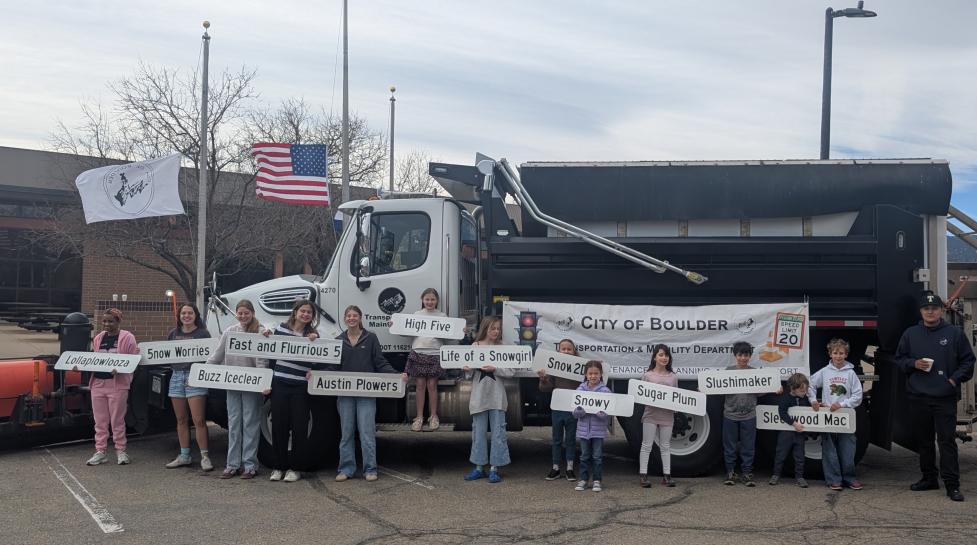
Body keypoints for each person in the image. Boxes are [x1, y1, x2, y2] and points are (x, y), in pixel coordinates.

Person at [895, 292, 975, 502]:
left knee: (946, 441)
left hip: (944, 397)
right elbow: (900, 359)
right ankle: (929, 478)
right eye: (926, 309)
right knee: (924, 441)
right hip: (918, 396)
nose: (930, 311)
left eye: (934, 308)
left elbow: (968, 361)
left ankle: (952, 485)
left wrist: (953, 380)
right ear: (921, 312)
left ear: (941, 310)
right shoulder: (910, 334)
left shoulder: (954, 334)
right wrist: (913, 364)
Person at [335, 305, 406, 482]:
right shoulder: (338, 340)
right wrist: (314, 374)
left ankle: (370, 469)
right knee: (346, 433)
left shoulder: (371, 338)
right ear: (345, 319)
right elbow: (332, 367)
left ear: (360, 318)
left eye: (355, 315)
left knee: (367, 433)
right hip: (344, 394)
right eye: (349, 315)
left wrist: (396, 375)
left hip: (367, 393)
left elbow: (380, 362)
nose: (352, 318)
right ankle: (346, 469)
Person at [206, 299, 268, 479]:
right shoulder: (229, 332)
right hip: (232, 384)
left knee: (250, 424)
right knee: (234, 424)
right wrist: (200, 372)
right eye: (240, 313)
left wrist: (262, 382)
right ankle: (232, 464)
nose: (243, 316)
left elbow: (262, 361)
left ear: (252, 313)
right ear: (236, 314)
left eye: (246, 313)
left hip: (252, 386)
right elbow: (217, 355)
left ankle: (249, 465)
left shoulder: (260, 331)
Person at [268, 299, 322, 483]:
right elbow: (271, 353)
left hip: (300, 386)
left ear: (312, 317)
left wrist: (314, 344)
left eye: (309, 312)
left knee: (299, 428)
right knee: (279, 427)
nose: (305, 314)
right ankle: (278, 466)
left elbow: (317, 362)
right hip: (280, 383)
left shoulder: (313, 335)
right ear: (296, 312)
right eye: (303, 311)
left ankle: (295, 468)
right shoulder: (281, 329)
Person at [463, 316, 514, 484]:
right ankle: (479, 467)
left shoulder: (504, 347)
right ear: (485, 328)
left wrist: (496, 368)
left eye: (498, 329)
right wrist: (468, 369)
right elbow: (469, 375)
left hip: (497, 397)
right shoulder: (474, 346)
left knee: (498, 433)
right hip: (479, 397)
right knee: (478, 433)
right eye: (493, 328)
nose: (496, 331)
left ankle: (494, 468)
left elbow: (511, 372)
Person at [808, 338, 864, 491]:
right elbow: (811, 384)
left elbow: (858, 395)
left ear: (846, 354)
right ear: (830, 354)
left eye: (841, 353)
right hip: (829, 416)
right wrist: (813, 400)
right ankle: (834, 479)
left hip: (846, 416)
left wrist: (842, 404)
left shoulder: (851, 373)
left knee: (848, 449)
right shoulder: (825, 372)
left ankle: (850, 478)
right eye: (835, 353)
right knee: (829, 449)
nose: (838, 356)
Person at [85, 308, 139, 466]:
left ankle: (121, 450)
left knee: (117, 420)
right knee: (100, 421)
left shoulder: (127, 337)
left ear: (118, 322)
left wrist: (121, 369)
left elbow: (133, 360)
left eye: (110, 321)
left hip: (117, 385)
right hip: (98, 384)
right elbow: (96, 359)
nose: (106, 324)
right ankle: (100, 451)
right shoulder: (99, 338)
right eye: (104, 321)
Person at [164, 303, 213, 471]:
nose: (186, 316)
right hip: (177, 376)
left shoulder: (202, 334)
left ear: (195, 315)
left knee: (199, 420)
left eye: (190, 313)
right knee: (181, 420)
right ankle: (184, 455)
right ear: (179, 316)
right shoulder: (173, 334)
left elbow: (210, 357)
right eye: (183, 313)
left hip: (195, 377)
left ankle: (205, 456)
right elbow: (164, 354)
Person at [537, 339, 581, 481]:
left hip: (572, 410)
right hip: (557, 408)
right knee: (556, 439)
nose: (566, 351)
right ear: (558, 351)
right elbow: (545, 388)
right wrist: (543, 379)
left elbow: (585, 386)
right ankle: (555, 467)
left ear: (574, 351)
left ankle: (569, 468)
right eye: (563, 349)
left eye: (569, 349)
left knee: (570, 440)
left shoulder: (579, 368)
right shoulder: (554, 368)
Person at [406, 288, 446, 432]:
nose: (429, 302)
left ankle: (433, 416)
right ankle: (419, 418)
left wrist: (461, 330)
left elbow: (451, 332)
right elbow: (405, 330)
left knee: (432, 385)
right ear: (422, 300)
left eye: (432, 299)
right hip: (418, 352)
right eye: (427, 299)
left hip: (435, 353)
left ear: (437, 301)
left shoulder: (442, 316)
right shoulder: (416, 315)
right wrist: (394, 326)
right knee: (420, 385)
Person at [638, 344, 677, 488]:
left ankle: (667, 476)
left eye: (666, 355)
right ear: (654, 357)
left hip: (667, 415)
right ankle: (643, 475)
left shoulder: (673, 377)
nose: (664, 358)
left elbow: (677, 397)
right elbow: (640, 395)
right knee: (646, 445)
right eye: (661, 355)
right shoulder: (647, 375)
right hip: (651, 414)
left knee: (665, 446)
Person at [722, 341, 760, 487]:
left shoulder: (755, 373)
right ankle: (730, 472)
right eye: (740, 355)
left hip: (749, 415)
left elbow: (761, 392)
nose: (743, 358)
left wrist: (774, 389)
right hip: (730, 415)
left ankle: (747, 473)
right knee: (729, 446)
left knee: (748, 446)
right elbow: (716, 387)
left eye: (746, 355)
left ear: (750, 356)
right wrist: (705, 387)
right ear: (735, 355)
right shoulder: (728, 371)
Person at [573, 361, 611, 492]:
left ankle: (597, 480)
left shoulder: (606, 391)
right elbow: (575, 412)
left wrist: (599, 413)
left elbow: (607, 413)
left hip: (598, 431)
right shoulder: (580, 390)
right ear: (585, 374)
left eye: (596, 373)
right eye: (590, 373)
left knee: (597, 457)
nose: (593, 376)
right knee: (584, 456)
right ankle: (583, 480)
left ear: (601, 375)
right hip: (584, 430)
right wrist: (581, 411)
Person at [770, 373, 811, 487]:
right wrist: (793, 423)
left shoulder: (805, 399)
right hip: (786, 433)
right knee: (780, 454)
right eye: (802, 391)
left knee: (800, 456)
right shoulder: (785, 398)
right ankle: (776, 474)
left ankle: (800, 477)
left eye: (805, 390)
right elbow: (782, 412)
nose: (805, 393)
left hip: (799, 434)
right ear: (793, 389)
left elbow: (809, 411)